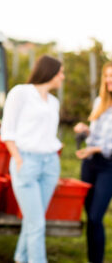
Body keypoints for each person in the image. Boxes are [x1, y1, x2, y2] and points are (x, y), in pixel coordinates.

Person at [1, 55, 64, 263]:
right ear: (51, 72)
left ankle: (21, 257)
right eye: (61, 72)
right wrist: (18, 160)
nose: (63, 77)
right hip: (26, 161)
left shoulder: (53, 102)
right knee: (37, 223)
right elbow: (8, 130)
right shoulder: (21, 93)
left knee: (34, 220)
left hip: (50, 164)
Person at [74, 61, 112, 263]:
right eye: (106, 76)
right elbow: (96, 136)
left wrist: (96, 148)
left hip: (108, 166)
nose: (109, 80)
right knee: (91, 217)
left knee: (97, 216)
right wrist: (85, 131)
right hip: (90, 164)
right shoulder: (100, 102)